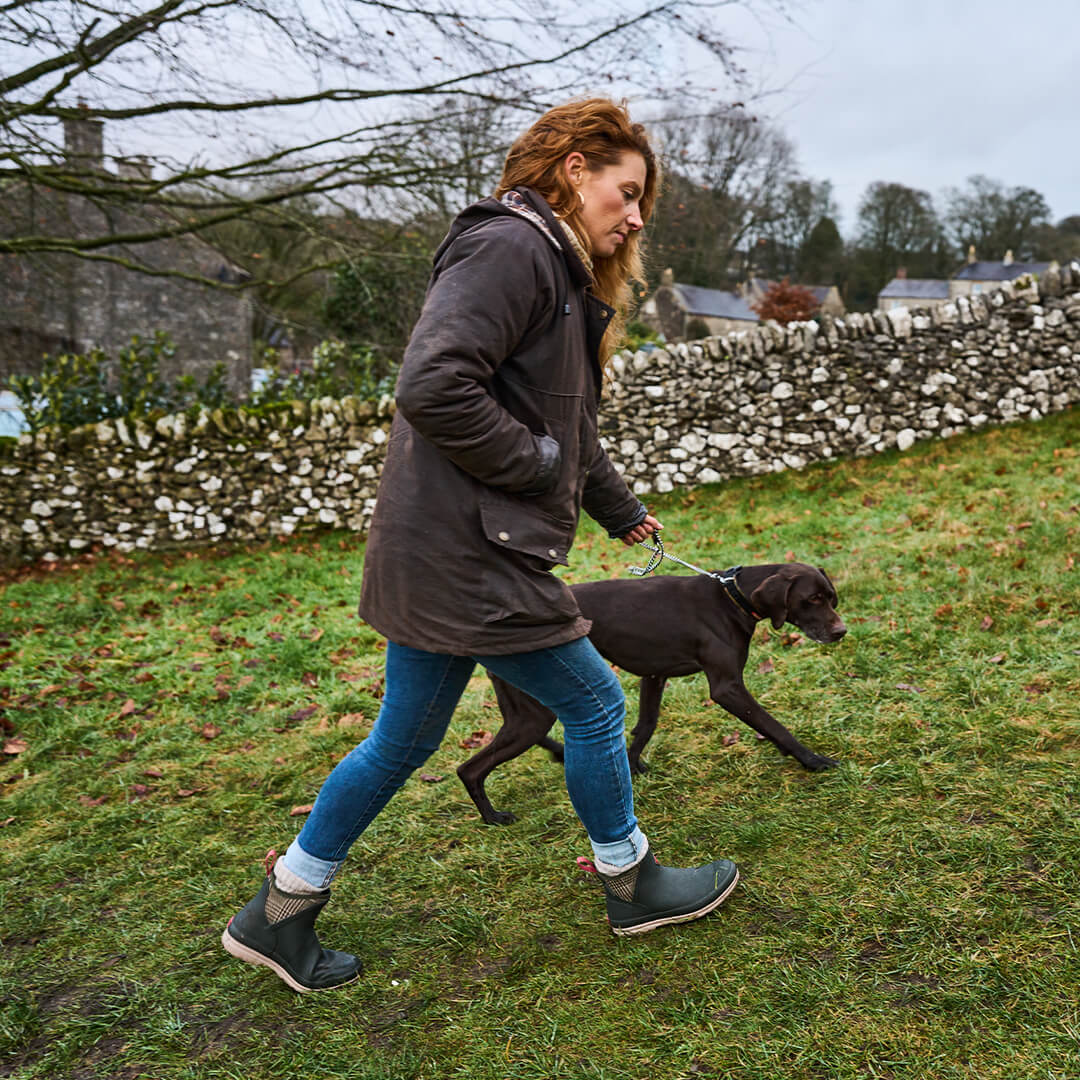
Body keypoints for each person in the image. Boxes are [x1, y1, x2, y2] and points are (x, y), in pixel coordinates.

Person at [222, 98, 738, 993]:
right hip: (474, 558)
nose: (637, 214)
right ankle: (632, 882)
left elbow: (563, 426)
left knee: (400, 741)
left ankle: (280, 911)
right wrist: (539, 468)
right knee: (594, 705)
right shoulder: (513, 247)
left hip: (447, 552)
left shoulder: (558, 267)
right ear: (574, 168)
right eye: (626, 191)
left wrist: (618, 510)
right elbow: (435, 385)